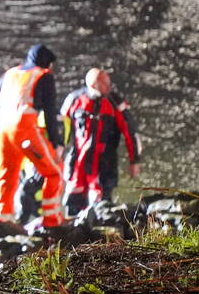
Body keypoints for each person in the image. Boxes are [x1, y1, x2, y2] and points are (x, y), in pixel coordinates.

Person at [0, 44, 65, 229]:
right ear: (47, 63)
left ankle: (3, 221)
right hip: (23, 129)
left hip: (2, 130)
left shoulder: (11, 73)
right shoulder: (44, 76)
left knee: (6, 175)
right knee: (54, 171)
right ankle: (52, 221)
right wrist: (56, 142)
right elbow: (50, 113)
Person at [60, 68, 140, 215]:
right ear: (94, 84)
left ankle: (103, 232)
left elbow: (130, 132)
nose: (109, 87)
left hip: (104, 163)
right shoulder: (74, 99)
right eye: (105, 84)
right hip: (79, 162)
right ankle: (71, 233)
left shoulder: (115, 102)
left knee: (102, 206)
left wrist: (134, 160)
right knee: (73, 200)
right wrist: (57, 151)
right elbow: (61, 128)